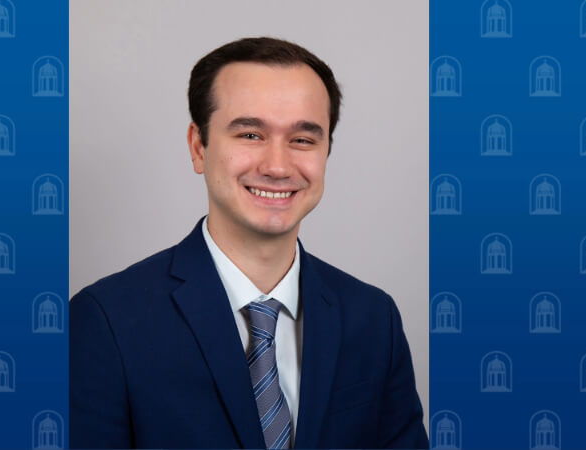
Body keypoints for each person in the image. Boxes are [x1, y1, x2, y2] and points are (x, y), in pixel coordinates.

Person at [70, 36, 428, 449]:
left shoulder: (372, 318)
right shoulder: (107, 321)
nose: (277, 166)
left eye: (303, 140)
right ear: (198, 146)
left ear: (327, 151)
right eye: (250, 135)